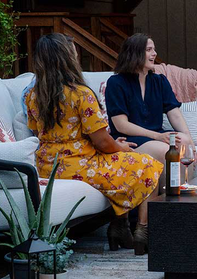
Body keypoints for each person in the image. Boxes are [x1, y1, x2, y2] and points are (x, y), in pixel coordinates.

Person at [25, 33, 160, 256]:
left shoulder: (32, 95)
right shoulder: (81, 94)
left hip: (46, 165)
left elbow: (36, 131)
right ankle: (142, 231)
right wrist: (121, 147)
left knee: (121, 165)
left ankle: (120, 226)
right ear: (67, 57)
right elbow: (102, 142)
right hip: (79, 164)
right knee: (147, 164)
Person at [105, 34, 196, 185]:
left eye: (154, 49)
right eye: (149, 50)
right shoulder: (116, 83)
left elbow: (175, 115)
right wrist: (157, 136)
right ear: (134, 54)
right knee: (163, 151)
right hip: (131, 138)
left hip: (156, 135)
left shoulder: (159, 81)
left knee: (184, 143)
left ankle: (185, 197)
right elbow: (121, 125)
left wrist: (189, 139)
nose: (154, 53)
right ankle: (165, 202)